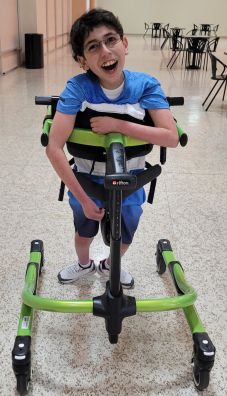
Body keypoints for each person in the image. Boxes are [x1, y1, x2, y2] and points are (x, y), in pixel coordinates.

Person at [46, 8, 178, 289]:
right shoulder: (78, 89)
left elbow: (170, 136)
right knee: (84, 230)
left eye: (111, 40)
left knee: (126, 232)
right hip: (87, 181)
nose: (106, 51)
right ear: (82, 60)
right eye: (94, 47)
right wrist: (82, 198)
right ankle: (84, 264)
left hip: (130, 180)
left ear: (125, 44)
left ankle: (109, 264)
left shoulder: (145, 85)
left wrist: (119, 125)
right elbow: (54, 148)